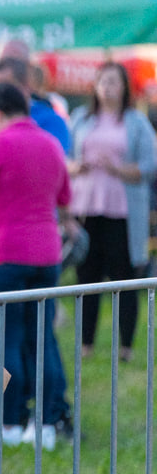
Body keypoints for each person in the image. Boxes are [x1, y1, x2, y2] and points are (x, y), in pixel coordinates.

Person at [0, 82, 73, 450]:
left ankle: (8, 421)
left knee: (8, 339)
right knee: (43, 338)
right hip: (48, 256)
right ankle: (50, 419)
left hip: (7, 254)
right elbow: (65, 197)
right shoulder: (51, 144)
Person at [68, 62, 157, 362]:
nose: (107, 87)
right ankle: (86, 343)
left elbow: (150, 165)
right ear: (94, 86)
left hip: (122, 213)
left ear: (124, 87)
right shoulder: (80, 119)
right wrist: (77, 167)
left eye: (114, 82)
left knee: (125, 278)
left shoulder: (136, 122)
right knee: (87, 277)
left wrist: (118, 169)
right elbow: (63, 160)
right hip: (86, 208)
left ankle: (126, 347)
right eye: (102, 81)